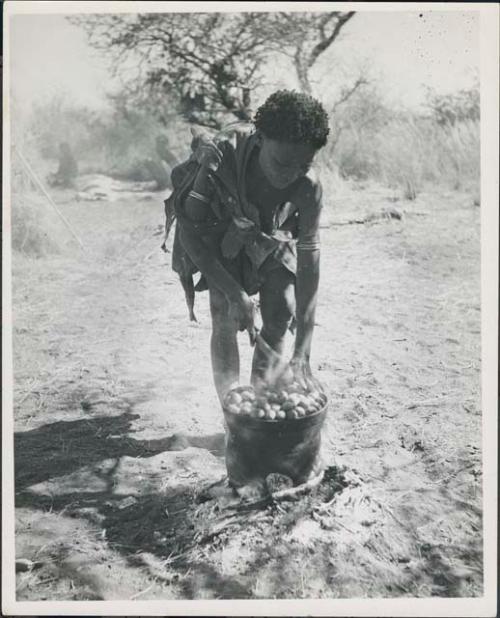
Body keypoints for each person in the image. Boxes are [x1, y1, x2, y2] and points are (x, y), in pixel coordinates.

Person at [162, 90, 329, 405]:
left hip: (268, 235)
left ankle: (261, 403)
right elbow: (190, 235)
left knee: (281, 309)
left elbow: (309, 264)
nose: (290, 174)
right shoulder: (220, 157)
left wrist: (302, 350)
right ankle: (233, 410)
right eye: (281, 162)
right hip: (218, 233)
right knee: (223, 311)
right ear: (261, 138)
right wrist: (235, 293)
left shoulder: (308, 187)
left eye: (303, 164)